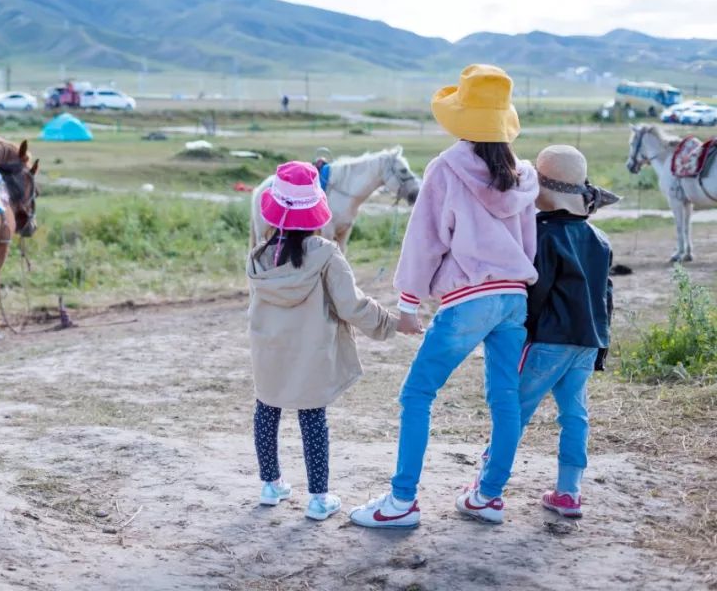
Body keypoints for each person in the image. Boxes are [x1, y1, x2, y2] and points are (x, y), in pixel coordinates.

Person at [350, 64, 538, 528]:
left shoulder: (445, 168)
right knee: (505, 399)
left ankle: (401, 502)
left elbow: (425, 239)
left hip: (469, 299)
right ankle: (488, 497)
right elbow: (530, 243)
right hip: (515, 297)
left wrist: (408, 303)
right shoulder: (522, 174)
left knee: (417, 393)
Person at [248, 160, 400, 521]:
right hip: (311, 352)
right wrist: (391, 324)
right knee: (313, 419)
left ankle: (271, 485)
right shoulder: (327, 254)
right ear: (316, 208)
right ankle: (318, 499)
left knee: (266, 411)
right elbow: (352, 306)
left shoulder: (258, 256)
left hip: (268, 349)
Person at [485, 144, 618, 518]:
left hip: (548, 341)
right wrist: (601, 345)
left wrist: (519, 331)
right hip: (586, 342)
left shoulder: (543, 235)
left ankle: (487, 485)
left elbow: (538, 292)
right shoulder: (600, 240)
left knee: (514, 411)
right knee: (574, 415)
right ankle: (569, 492)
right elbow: (605, 297)